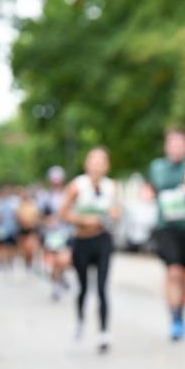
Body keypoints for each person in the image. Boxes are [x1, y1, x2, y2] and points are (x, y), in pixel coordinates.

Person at [59, 147, 118, 353]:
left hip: (102, 241)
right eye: (93, 160)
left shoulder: (111, 187)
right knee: (83, 287)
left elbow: (116, 211)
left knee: (102, 287)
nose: (97, 165)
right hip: (82, 242)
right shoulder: (77, 185)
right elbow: (63, 212)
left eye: (101, 161)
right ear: (87, 164)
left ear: (106, 165)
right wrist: (82, 220)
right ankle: (80, 320)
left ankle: (103, 332)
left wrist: (112, 215)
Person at [147, 127, 185, 341]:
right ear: (166, 146)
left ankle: (180, 313)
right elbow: (151, 190)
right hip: (165, 228)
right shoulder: (157, 168)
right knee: (173, 272)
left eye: (180, 143)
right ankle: (174, 318)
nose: (176, 147)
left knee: (183, 274)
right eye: (172, 143)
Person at [39, 166, 72, 300]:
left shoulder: (68, 194)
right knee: (52, 262)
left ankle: (59, 278)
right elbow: (39, 216)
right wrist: (47, 220)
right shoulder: (45, 197)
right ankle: (56, 284)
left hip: (65, 233)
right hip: (50, 234)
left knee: (64, 260)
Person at [16, 187, 42, 271]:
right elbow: (18, 218)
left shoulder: (33, 205)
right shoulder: (20, 206)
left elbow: (37, 217)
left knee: (31, 247)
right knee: (25, 249)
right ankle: (27, 263)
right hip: (23, 229)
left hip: (32, 229)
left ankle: (31, 263)